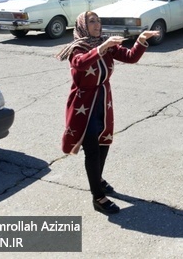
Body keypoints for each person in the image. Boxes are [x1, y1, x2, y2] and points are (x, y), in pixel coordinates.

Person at [58, 12, 160, 215]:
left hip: (103, 103)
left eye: (98, 20)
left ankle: (98, 179)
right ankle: (98, 197)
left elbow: (130, 57)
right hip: (84, 106)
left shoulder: (105, 43)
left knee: (103, 145)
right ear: (82, 26)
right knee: (92, 151)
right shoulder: (77, 47)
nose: (97, 24)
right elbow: (79, 63)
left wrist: (140, 40)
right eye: (92, 21)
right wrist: (102, 48)